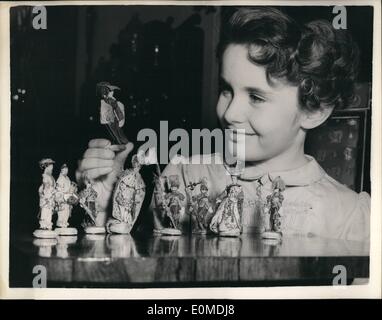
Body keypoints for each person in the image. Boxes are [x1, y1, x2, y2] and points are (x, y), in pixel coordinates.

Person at [76, 7, 370, 241]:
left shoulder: (348, 216)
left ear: (313, 111)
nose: (230, 113)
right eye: (226, 89)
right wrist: (104, 206)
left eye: (255, 96)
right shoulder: (182, 174)